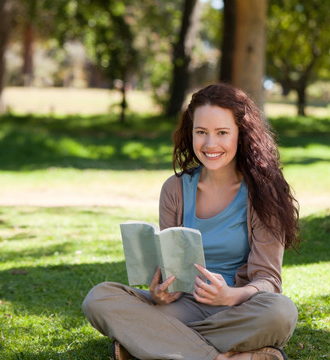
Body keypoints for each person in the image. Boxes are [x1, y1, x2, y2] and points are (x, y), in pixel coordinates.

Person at [82, 83, 300, 360]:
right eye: (201, 132)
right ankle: (217, 356)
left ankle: (151, 344)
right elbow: (168, 265)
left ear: (241, 135)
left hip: (238, 308)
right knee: (99, 298)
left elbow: (268, 280)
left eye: (222, 133)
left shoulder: (263, 193)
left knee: (281, 312)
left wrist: (231, 295)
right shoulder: (174, 189)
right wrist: (159, 293)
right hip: (181, 307)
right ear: (191, 133)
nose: (210, 144)